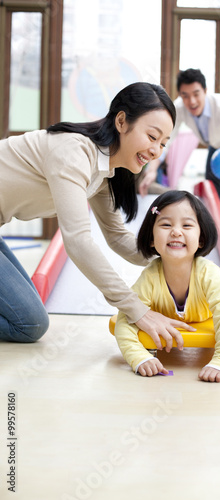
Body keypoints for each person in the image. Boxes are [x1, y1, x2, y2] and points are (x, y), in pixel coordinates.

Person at [0, 82, 196, 346]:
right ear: (122, 121)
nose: (155, 150)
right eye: (152, 137)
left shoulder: (104, 173)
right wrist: (138, 311)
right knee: (30, 324)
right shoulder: (75, 152)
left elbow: (117, 238)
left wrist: (174, 255)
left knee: (30, 320)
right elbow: (78, 242)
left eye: (163, 143)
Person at [114, 190, 220, 382]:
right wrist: (139, 358)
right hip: (179, 315)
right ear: (151, 237)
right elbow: (125, 320)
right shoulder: (149, 277)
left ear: (201, 238)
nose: (176, 231)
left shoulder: (210, 275)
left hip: (208, 313)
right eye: (166, 225)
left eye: (187, 225)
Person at [138, 68, 220, 238]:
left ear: (206, 91)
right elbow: (166, 142)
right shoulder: (178, 108)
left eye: (196, 94)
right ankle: (212, 236)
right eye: (185, 95)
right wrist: (151, 170)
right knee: (211, 190)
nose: (191, 101)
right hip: (215, 145)